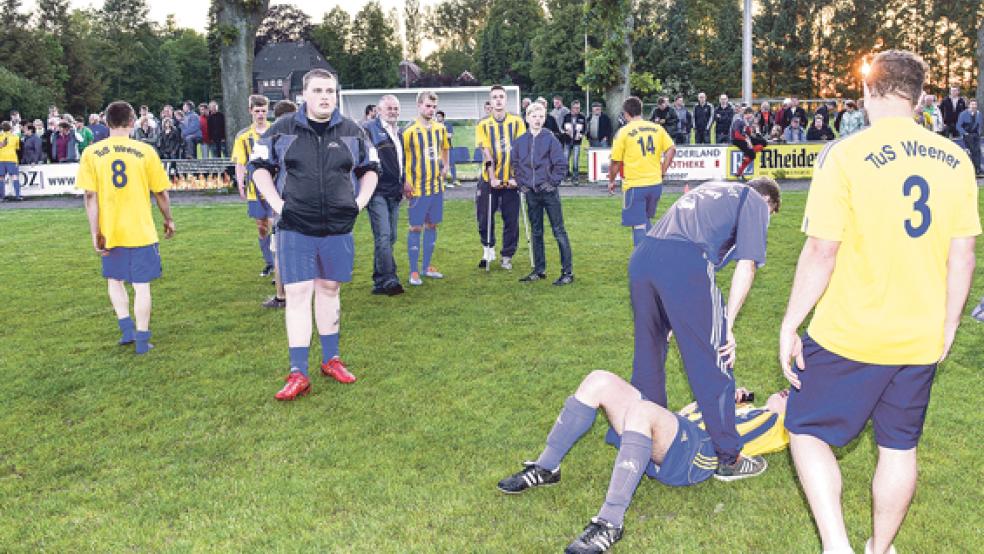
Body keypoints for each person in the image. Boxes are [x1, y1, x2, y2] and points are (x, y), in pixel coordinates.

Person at [778, 50, 980, 554]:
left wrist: (790, 322)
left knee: (803, 427)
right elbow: (964, 255)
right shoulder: (956, 159)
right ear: (918, 98)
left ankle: (837, 545)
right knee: (899, 447)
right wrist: (948, 325)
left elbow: (822, 250)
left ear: (869, 92)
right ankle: (879, 547)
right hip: (918, 334)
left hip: (851, 330)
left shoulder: (845, 155)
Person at [497, 369, 789, 554]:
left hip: (698, 457)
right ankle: (547, 467)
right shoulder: (748, 407)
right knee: (599, 380)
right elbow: (684, 413)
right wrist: (726, 401)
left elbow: (810, 435)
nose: (787, 390)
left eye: (794, 394)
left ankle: (610, 522)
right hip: (673, 436)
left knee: (643, 410)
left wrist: (784, 412)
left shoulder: (780, 425)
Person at [627, 178, 781, 486]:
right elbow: (746, 266)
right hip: (683, 261)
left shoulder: (714, 189)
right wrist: (727, 327)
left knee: (649, 356)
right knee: (714, 360)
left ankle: (642, 439)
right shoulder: (753, 201)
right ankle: (729, 458)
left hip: (644, 256)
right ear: (768, 204)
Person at [249, 69, 379, 401]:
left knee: (329, 289)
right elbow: (259, 167)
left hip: (337, 227)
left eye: (330, 91)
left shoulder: (353, 132)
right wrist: (277, 204)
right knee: (297, 293)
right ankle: (298, 372)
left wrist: (359, 202)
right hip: (296, 226)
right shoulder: (283, 129)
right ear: (304, 95)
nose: (325, 97)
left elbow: (371, 170)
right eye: (318, 91)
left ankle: (331, 359)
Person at [78, 101, 175, 355]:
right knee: (142, 285)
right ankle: (142, 340)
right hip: (140, 228)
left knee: (115, 279)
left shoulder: (91, 153)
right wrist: (168, 219)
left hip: (110, 229)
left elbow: (90, 196)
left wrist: (94, 231)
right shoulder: (145, 151)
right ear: (132, 121)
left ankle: (126, 331)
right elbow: (161, 193)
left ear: (106, 122)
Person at [511, 101, 573, 285]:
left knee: (559, 231)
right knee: (536, 232)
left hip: (549, 193)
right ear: (527, 118)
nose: (537, 120)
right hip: (531, 193)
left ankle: (567, 272)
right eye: (534, 116)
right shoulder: (520, 141)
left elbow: (561, 164)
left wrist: (552, 183)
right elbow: (515, 164)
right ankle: (539, 270)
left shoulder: (550, 139)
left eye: (541, 117)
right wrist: (521, 184)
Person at [607, 96, 676, 246]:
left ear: (626, 114)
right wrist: (663, 170)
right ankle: (654, 253)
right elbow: (672, 149)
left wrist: (611, 180)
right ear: (641, 110)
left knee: (638, 225)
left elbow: (615, 162)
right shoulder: (657, 128)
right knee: (645, 219)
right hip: (655, 184)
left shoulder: (623, 132)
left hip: (635, 185)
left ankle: (642, 262)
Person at [475, 85, 526, 270]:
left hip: (511, 180)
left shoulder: (517, 122)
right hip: (490, 179)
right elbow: (486, 153)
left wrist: (517, 177)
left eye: (501, 97)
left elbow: (521, 151)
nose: (498, 100)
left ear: (506, 100)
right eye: (494, 97)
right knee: (484, 217)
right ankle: (488, 249)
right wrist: (492, 177)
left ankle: (507, 255)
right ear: (491, 100)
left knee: (511, 219)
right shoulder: (483, 124)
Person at [403, 90, 450, 286]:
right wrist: (405, 180)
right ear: (419, 106)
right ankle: (414, 271)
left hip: (436, 187)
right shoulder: (409, 131)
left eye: (433, 106)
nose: (431, 110)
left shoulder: (440, 129)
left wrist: (446, 166)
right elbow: (402, 158)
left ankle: (427, 266)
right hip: (418, 188)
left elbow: (446, 148)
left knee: (432, 225)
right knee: (415, 227)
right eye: (427, 106)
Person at [231, 95, 277, 284]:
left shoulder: (275, 131)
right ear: (250, 111)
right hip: (254, 190)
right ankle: (269, 261)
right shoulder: (243, 136)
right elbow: (240, 163)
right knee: (262, 227)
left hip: (275, 188)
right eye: (257, 111)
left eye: (264, 111)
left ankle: (278, 264)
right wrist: (240, 183)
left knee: (276, 225)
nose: (260, 114)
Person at [363, 94, 405, 296]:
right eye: (389, 108)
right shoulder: (369, 130)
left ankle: (379, 280)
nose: (393, 112)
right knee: (384, 235)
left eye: (396, 108)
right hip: (377, 191)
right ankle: (390, 280)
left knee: (390, 237)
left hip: (394, 191)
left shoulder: (399, 133)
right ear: (378, 110)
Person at [732, 108, 769, 181]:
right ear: (748, 114)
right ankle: (739, 172)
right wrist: (747, 140)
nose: (752, 117)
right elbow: (736, 135)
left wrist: (756, 130)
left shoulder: (746, 121)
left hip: (745, 137)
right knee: (752, 155)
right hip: (737, 140)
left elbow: (748, 133)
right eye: (751, 115)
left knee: (763, 143)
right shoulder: (738, 121)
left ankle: (746, 156)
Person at [562, 100, 587, 184]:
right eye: (576, 108)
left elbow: (585, 129)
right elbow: (562, 127)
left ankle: (575, 178)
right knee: (565, 159)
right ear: (571, 108)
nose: (577, 109)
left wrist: (582, 134)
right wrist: (565, 132)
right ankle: (565, 177)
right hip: (567, 141)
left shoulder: (582, 117)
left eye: (578, 108)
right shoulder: (566, 116)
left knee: (576, 160)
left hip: (577, 142)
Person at [956, 99, 982, 176]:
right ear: (968, 105)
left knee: (978, 151)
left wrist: (979, 133)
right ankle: (974, 169)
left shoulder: (978, 114)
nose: (974, 106)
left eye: (975, 105)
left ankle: (978, 169)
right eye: (972, 104)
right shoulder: (963, 114)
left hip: (976, 136)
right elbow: (958, 126)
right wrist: (965, 133)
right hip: (967, 136)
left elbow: (980, 125)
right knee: (972, 151)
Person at [435, 110, 458, 187]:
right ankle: (442, 180)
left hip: (448, 147)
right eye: (437, 116)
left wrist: (441, 134)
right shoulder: (434, 125)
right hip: (438, 148)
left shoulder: (448, 125)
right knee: (440, 164)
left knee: (451, 163)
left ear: (443, 117)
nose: (438, 118)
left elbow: (450, 135)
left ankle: (454, 180)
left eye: (439, 116)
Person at [0, 121, 21, 200]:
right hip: (12, 158)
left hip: (1, 159)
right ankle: (17, 196)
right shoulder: (15, 137)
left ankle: (2, 197)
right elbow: (17, 148)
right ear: (10, 128)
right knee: (15, 177)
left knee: (1, 177)